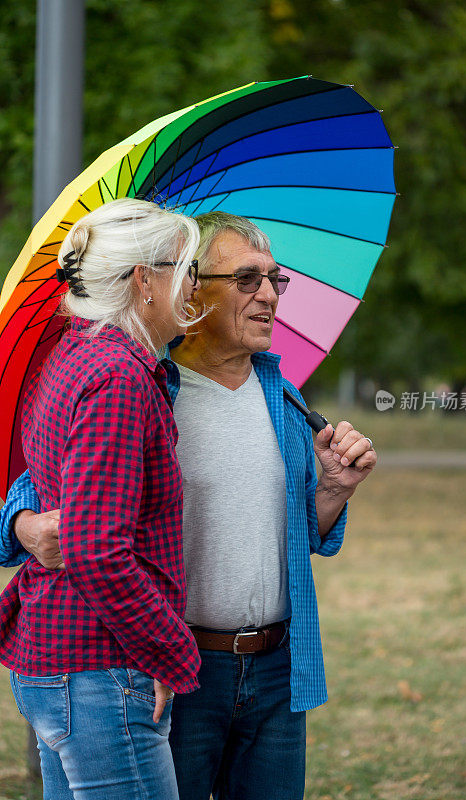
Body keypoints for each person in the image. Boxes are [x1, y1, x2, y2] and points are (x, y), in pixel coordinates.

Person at [0, 211, 377, 800]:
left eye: (276, 279)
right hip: (174, 666)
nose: (270, 296)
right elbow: (33, 491)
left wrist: (332, 489)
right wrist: (26, 528)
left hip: (275, 667)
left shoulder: (287, 401)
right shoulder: (145, 380)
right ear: (190, 287)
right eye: (247, 279)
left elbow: (296, 535)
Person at [0, 198, 203, 800]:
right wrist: (171, 651)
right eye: (185, 266)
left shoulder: (75, 354)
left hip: (65, 661)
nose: (194, 281)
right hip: (98, 669)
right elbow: (96, 549)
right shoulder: (117, 375)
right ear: (145, 280)